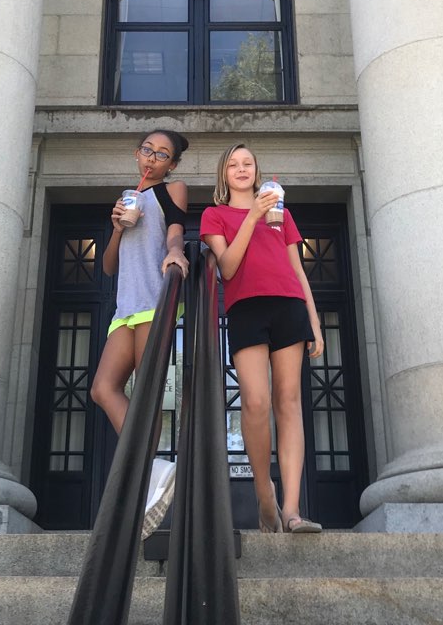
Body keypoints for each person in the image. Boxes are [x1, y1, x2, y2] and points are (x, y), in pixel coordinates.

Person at [200, 142, 324, 534]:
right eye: (233, 164)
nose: (241, 169)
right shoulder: (215, 215)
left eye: (248, 163)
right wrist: (252, 215)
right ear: (224, 174)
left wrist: (314, 320)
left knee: (289, 402)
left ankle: (292, 509)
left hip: (289, 305)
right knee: (255, 402)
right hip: (246, 308)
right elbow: (227, 268)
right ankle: (263, 489)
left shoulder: (281, 212)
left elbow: (297, 269)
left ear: (257, 170)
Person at [90, 129, 189, 539]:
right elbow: (108, 266)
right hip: (124, 309)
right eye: (148, 150)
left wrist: (176, 250)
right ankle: (153, 469)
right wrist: (116, 227)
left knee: (146, 393)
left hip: (154, 301)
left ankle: (145, 480)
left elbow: (176, 228)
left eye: (162, 154)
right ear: (137, 153)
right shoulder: (126, 198)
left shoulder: (172, 190)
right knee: (102, 389)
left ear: (172, 164)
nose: (152, 158)